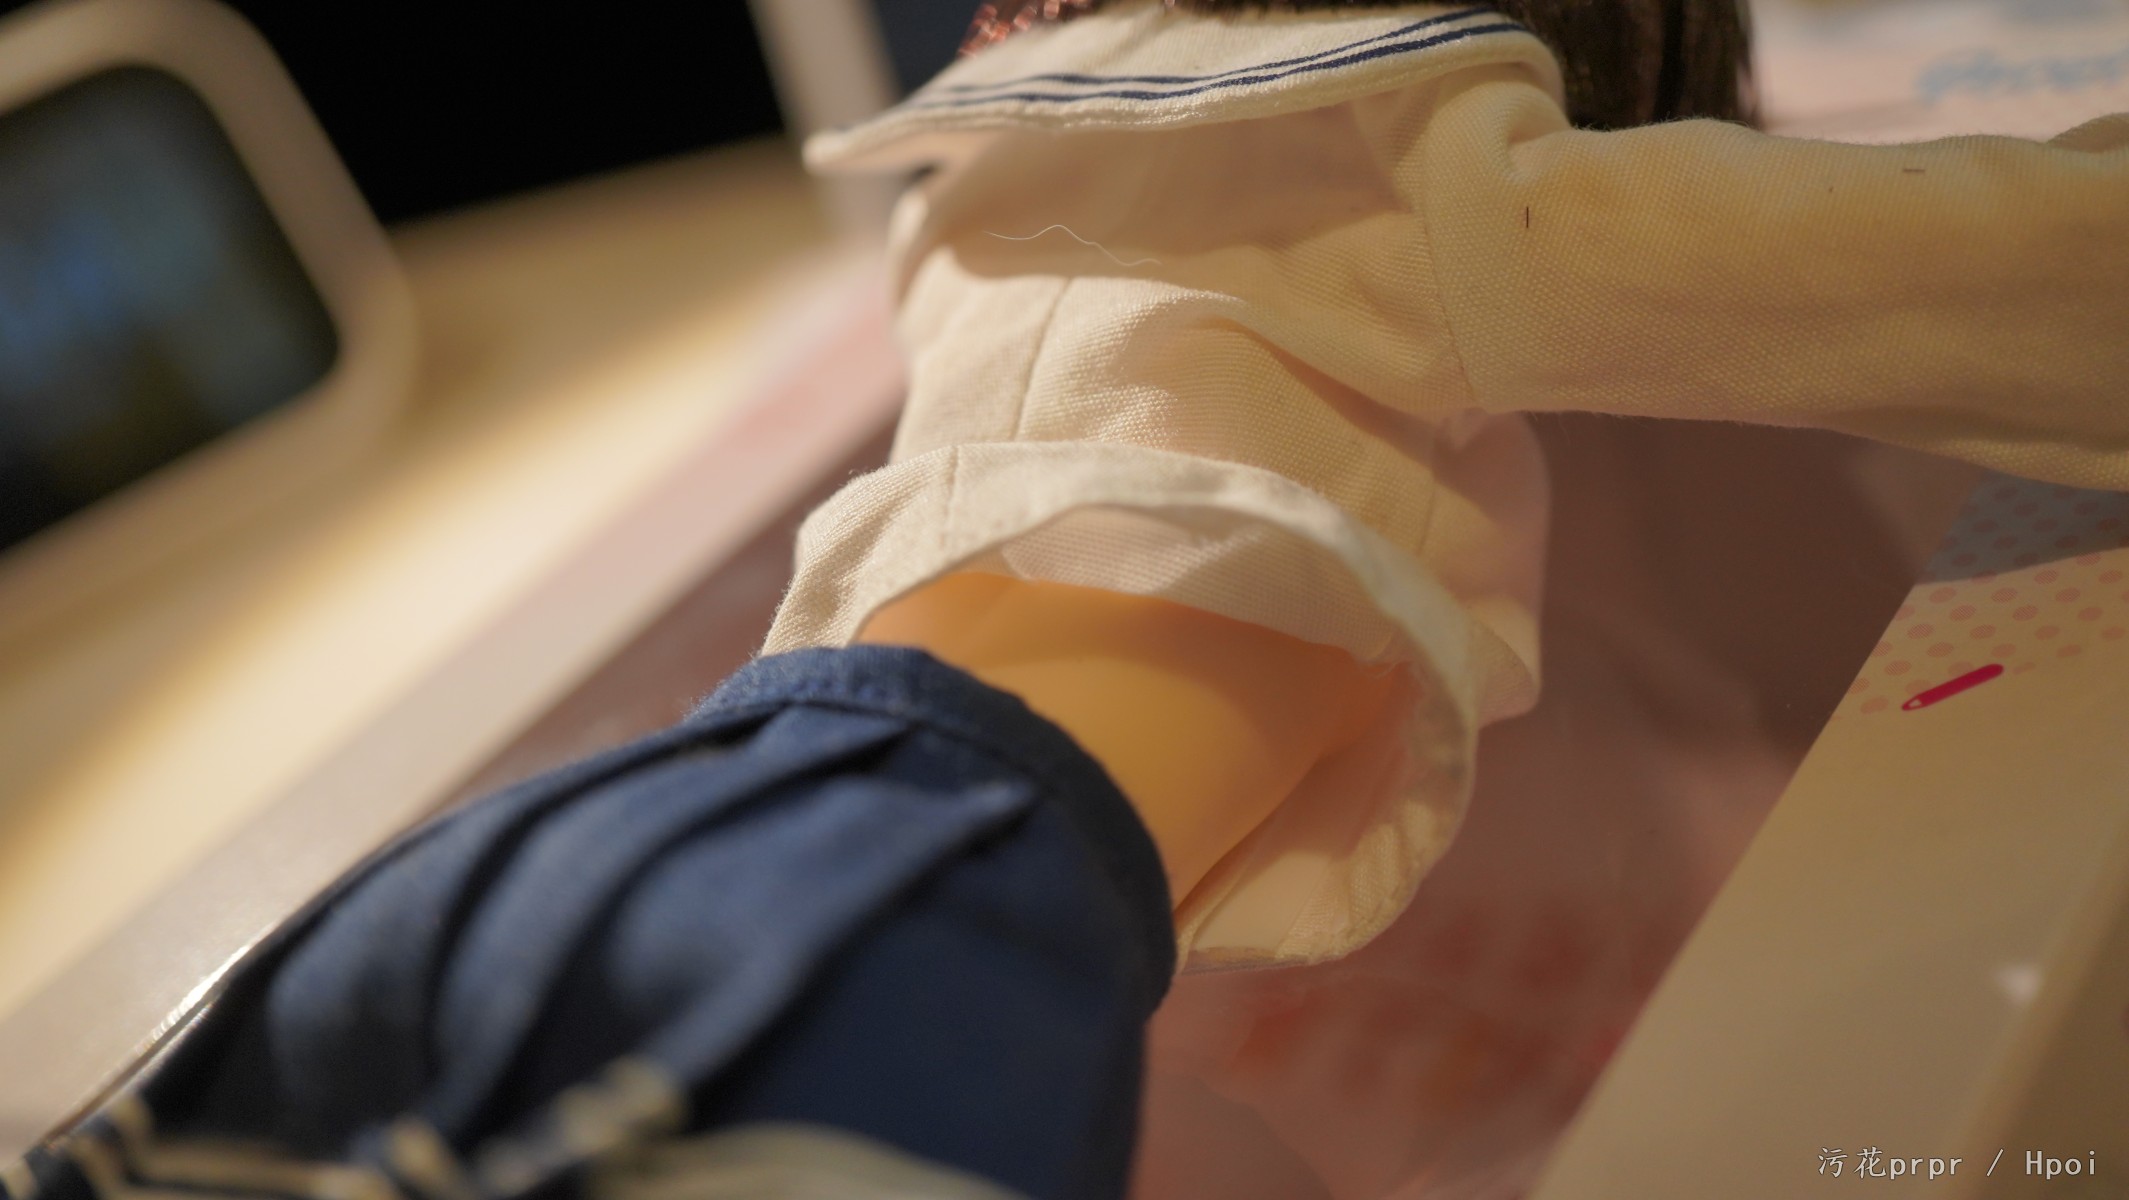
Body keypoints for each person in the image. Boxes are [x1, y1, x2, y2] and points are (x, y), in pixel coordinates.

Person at [9, 3, 2123, 1199]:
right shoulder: (1421, 187)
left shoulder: (1005, 158)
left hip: (677, 805)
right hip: (912, 868)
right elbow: (1987, 278)